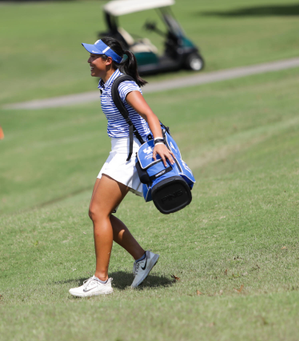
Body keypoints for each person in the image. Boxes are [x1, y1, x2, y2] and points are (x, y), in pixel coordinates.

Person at [69, 37, 175, 298]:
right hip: (118, 151)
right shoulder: (104, 83)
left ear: (108, 61)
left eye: (94, 56)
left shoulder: (123, 83)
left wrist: (159, 142)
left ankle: (101, 280)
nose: (88, 61)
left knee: (98, 211)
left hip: (130, 155)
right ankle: (142, 258)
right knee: (98, 213)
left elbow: (149, 114)